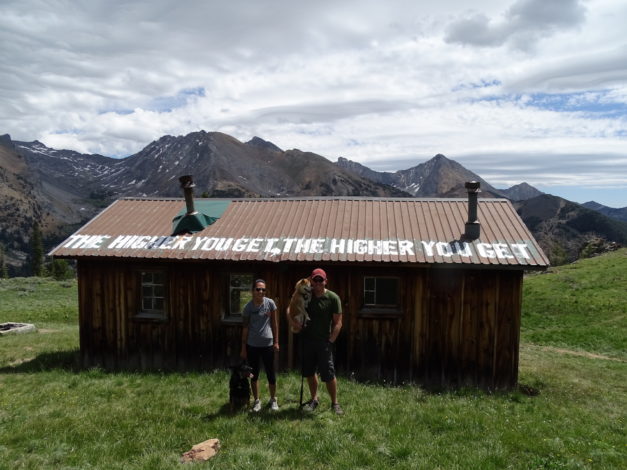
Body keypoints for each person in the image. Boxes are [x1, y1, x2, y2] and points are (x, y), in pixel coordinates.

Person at [288, 268, 344, 415]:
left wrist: (331, 340)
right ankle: (314, 399)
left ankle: (335, 403)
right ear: (311, 281)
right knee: (309, 372)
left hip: (324, 342)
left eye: (321, 280)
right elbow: (289, 308)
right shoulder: (306, 294)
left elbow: (338, 322)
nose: (318, 283)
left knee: (328, 374)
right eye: (315, 280)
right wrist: (292, 322)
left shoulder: (333, 298)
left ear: (326, 281)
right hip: (307, 340)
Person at [240, 279, 280, 411]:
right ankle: (257, 400)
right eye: (258, 289)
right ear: (253, 291)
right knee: (254, 374)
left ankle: (273, 399)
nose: (261, 292)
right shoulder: (248, 308)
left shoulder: (270, 304)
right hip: (252, 346)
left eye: (263, 289)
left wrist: (276, 342)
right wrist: (243, 348)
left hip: (268, 345)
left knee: (271, 374)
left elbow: (274, 324)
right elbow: (245, 328)